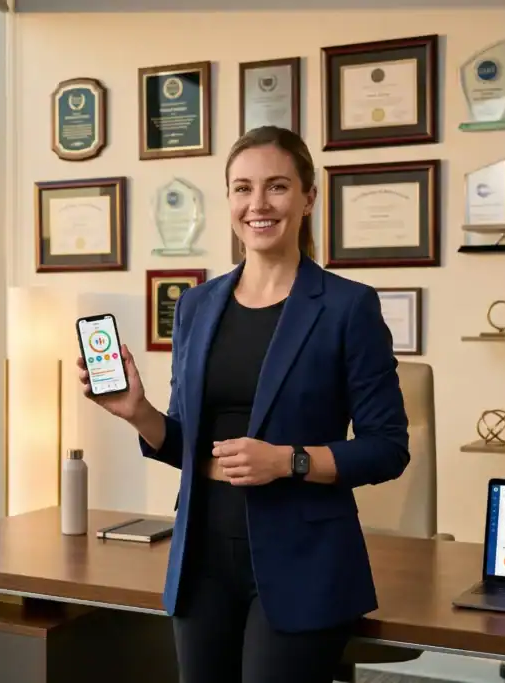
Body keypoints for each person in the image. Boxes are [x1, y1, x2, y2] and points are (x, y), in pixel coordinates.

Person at [76, 125, 410, 683]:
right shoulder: (197, 306)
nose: (258, 204)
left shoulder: (348, 307)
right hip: (201, 557)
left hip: (302, 560)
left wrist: (289, 461)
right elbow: (188, 442)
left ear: (307, 198)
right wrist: (138, 412)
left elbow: (387, 448)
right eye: (242, 188)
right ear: (228, 199)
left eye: (277, 187)